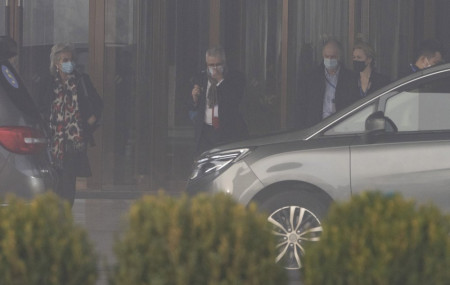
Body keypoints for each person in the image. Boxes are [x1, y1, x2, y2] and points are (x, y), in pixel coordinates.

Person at [37, 43, 103, 206]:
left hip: (74, 142)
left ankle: (64, 216)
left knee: (68, 183)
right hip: (52, 142)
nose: (69, 63)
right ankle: (53, 217)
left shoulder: (81, 80)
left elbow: (97, 104)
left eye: (71, 59)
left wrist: (89, 123)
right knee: (52, 183)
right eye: (65, 59)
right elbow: (38, 107)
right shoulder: (47, 82)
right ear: (56, 63)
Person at [189, 46, 248, 155]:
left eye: (218, 64)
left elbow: (235, 101)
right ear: (206, 64)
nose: (214, 68)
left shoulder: (236, 77)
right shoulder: (200, 78)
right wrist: (195, 99)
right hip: (205, 132)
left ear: (224, 63)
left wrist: (220, 80)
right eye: (211, 65)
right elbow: (194, 106)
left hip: (227, 131)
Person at [300, 38, 359, 128]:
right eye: (326, 56)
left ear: (339, 57)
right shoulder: (312, 77)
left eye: (333, 57)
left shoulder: (350, 78)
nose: (329, 59)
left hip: (342, 126)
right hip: (317, 127)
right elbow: (303, 105)